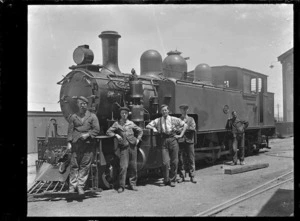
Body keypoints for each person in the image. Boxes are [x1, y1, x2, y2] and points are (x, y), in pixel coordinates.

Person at [146, 104, 187, 187]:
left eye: (165, 110)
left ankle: (172, 180)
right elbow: (148, 125)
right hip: (163, 141)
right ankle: (166, 179)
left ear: (168, 111)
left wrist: (180, 135)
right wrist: (154, 129)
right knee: (165, 162)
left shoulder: (173, 119)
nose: (164, 111)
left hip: (173, 140)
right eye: (163, 110)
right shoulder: (158, 120)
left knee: (175, 162)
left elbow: (185, 125)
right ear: (161, 112)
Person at [67, 96, 100, 195]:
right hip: (76, 144)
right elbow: (70, 131)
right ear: (78, 105)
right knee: (74, 165)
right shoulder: (73, 116)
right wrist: (69, 142)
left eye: (85, 104)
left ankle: (80, 186)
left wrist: (88, 134)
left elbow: (96, 130)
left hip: (88, 144)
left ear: (87, 105)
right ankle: (72, 187)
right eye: (81, 104)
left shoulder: (92, 116)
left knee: (84, 166)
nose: (83, 105)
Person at [106, 107, 143, 193]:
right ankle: (121, 186)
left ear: (128, 114)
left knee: (133, 166)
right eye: (122, 113)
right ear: (120, 114)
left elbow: (140, 130)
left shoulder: (131, 123)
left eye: (125, 113)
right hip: (124, 147)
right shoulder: (117, 124)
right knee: (123, 167)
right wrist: (116, 135)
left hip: (133, 147)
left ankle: (132, 184)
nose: (124, 114)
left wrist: (138, 139)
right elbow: (108, 132)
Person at [177, 104, 197, 184]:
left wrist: (183, 129)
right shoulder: (178, 119)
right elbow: (177, 129)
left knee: (191, 158)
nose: (183, 111)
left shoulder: (191, 119)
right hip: (181, 141)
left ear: (187, 110)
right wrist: (184, 129)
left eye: (185, 109)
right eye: (182, 109)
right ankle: (182, 176)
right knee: (181, 159)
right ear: (180, 110)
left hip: (189, 141)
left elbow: (193, 128)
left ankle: (192, 176)